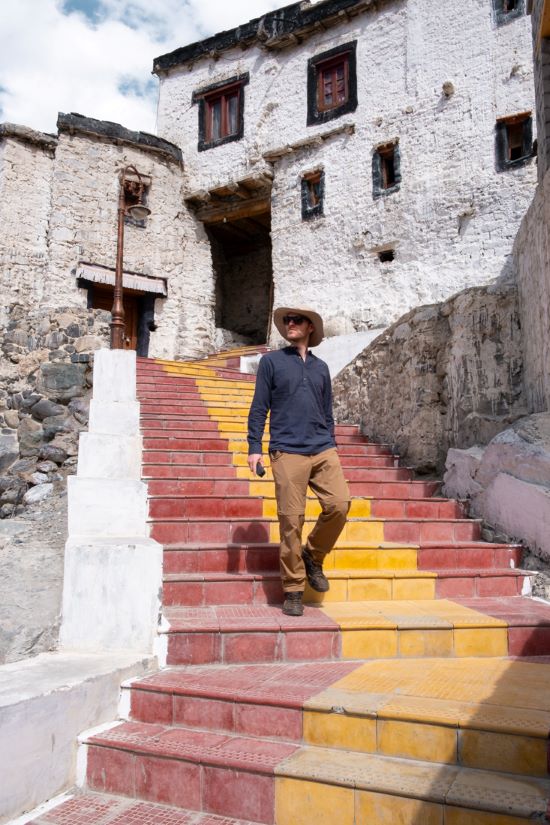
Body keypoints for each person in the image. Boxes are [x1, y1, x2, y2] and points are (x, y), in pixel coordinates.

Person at [247, 307, 351, 616]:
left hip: (322, 448)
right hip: (287, 450)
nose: (290, 324)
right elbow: (258, 407)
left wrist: (330, 441)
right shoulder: (271, 362)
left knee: (340, 504)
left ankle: (313, 555)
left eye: (297, 321)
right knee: (291, 521)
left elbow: (327, 410)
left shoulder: (321, 368)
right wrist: (254, 447)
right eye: (287, 321)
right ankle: (293, 589)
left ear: (310, 328)